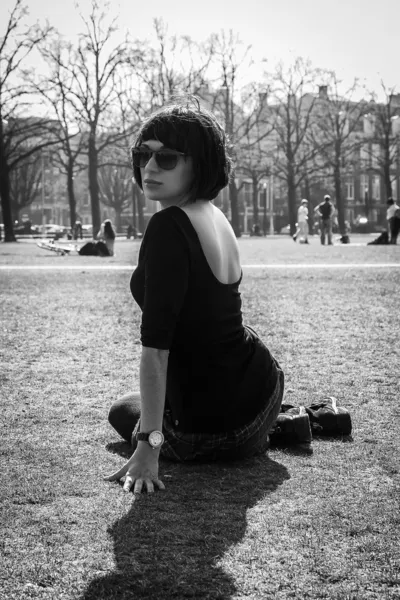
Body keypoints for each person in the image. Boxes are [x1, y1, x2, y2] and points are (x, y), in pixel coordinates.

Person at [104, 98, 285, 496]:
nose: (149, 168)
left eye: (166, 158)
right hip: (264, 391)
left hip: (211, 430)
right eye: (142, 155)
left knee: (122, 411)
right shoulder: (215, 215)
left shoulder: (169, 226)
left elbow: (156, 351)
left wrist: (148, 447)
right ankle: (280, 424)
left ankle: (269, 430)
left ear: (199, 163)